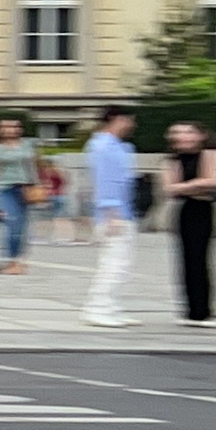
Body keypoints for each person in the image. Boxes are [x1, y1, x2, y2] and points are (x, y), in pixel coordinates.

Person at [161, 119, 216, 327]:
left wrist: (185, 186)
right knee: (184, 260)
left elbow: (213, 181)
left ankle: (204, 310)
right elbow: (169, 189)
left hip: (204, 210)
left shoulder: (211, 154)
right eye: (178, 134)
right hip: (184, 211)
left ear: (201, 135)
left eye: (188, 133)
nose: (183, 137)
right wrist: (195, 185)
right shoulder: (171, 160)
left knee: (203, 259)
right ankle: (188, 309)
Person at [82, 106, 138, 328]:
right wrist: (111, 211)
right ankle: (98, 308)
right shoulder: (104, 146)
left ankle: (111, 305)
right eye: (129, 119)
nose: (132, 125)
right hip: (114, 213)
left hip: (123, 210)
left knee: (122, 263)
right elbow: (105, 181)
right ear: (117, 119)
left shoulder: (118, 147)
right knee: (113, 263)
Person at [0, 116, 39, 276]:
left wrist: (37, 186)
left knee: (22, 227)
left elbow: (32, 167)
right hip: (5, 189)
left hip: (25, 189)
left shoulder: (27, 146)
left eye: (14, 126)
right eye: (6, 127)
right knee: (11, 224)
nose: (10, 130)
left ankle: (18, 261)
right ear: (0, 130)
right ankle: (9, 260)